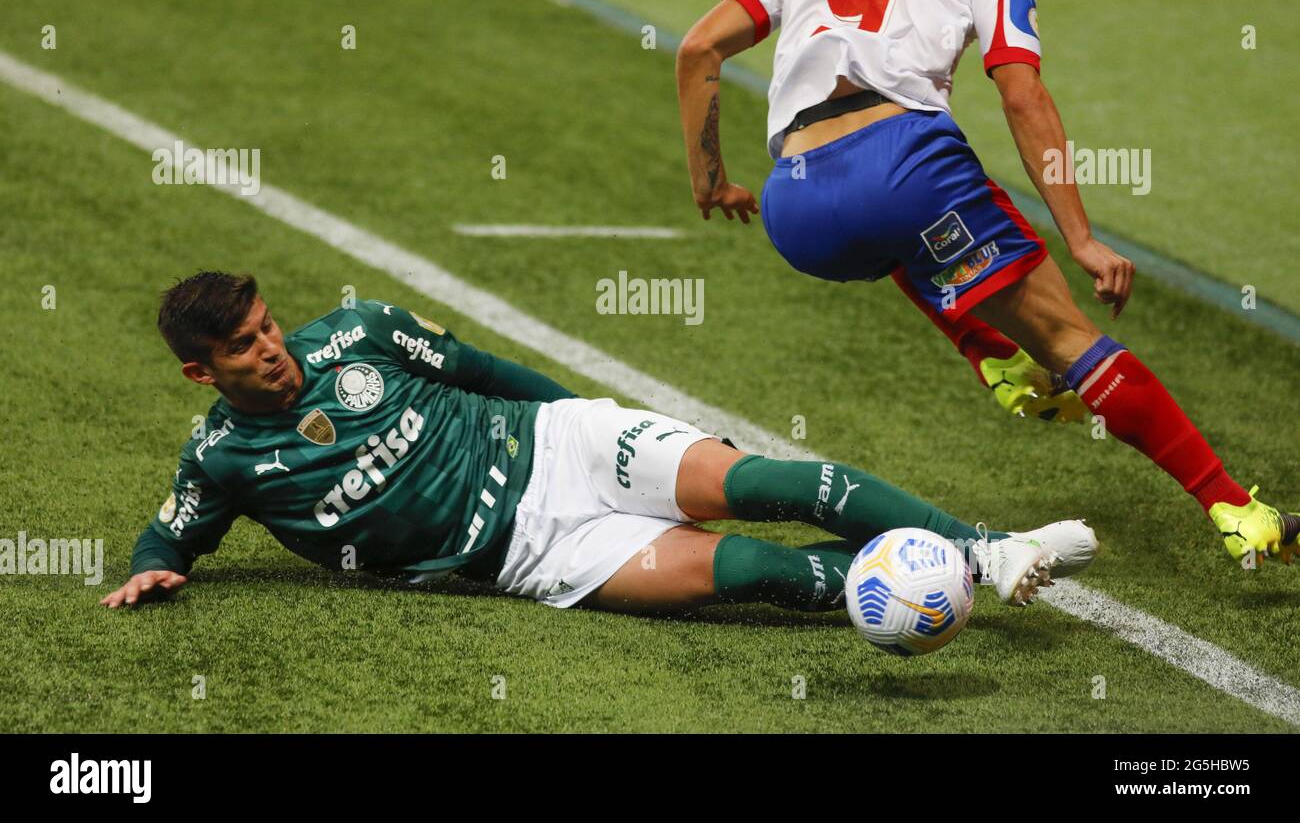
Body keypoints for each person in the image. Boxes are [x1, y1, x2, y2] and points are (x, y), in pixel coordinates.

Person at [674, 0, 1296, 562]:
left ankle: (995, 356)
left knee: (899, 239)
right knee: (1071, 343)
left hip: (795, 207)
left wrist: (712, 182)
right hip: (903, 167)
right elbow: (1022, 95)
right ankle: (1235, 507)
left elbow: (699, 47)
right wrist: (1082, 239)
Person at [102, 271, 1098, 615]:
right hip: (533, 552)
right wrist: (155, 568)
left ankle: (986, 546)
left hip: (562, 443)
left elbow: (486, 372)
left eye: (270, 326)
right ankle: (943, 575)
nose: (272, 350)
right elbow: (170, 534)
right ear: (202, 370)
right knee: (757, 574)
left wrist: (588, 421)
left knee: (767, 481)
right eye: (243, 346)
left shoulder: (359, 332)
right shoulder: (221, 459)